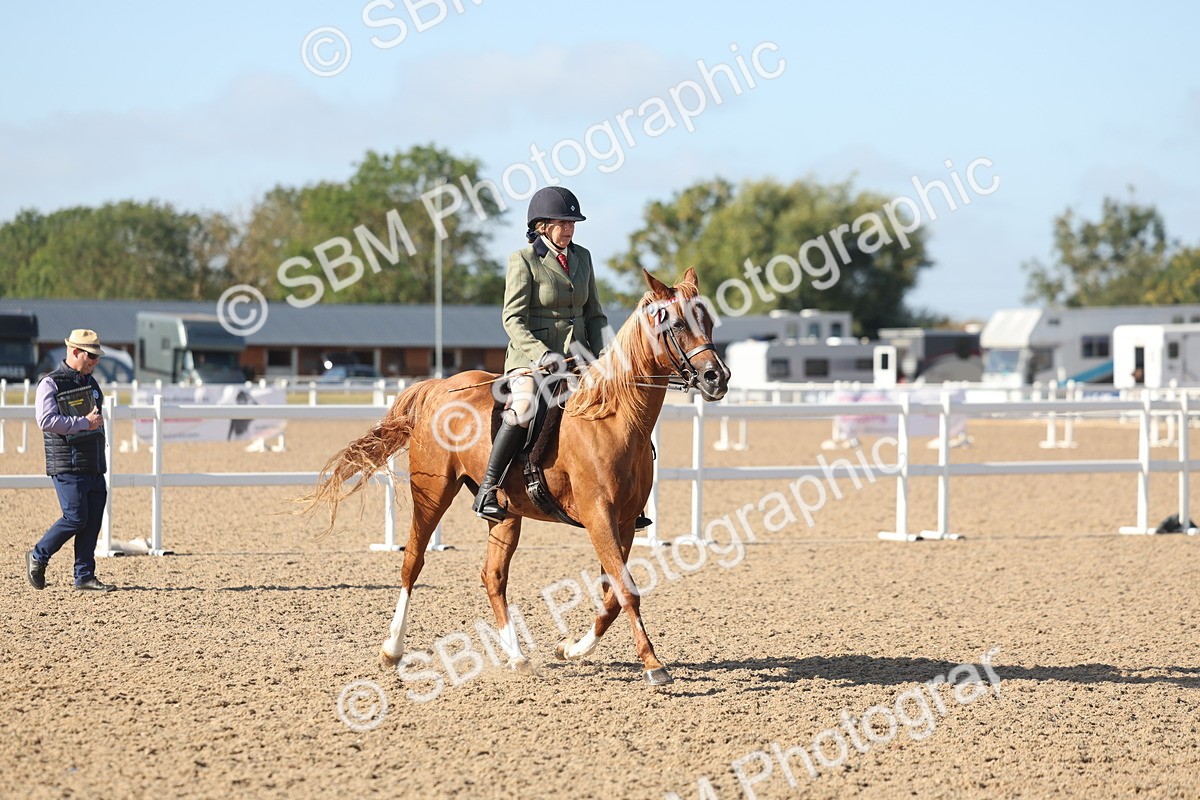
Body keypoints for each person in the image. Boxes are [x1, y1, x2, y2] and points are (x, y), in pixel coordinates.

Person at [473, 186, 615, 522]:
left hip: (580, 358)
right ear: (541, 226)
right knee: (522, 408)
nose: (569, 228)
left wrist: (606, 353)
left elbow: (594, 314)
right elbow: (513, 318)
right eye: (562, 222)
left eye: (572, 223)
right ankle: (488, 489)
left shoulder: (584, 258)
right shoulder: (522, 261)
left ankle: (622, 494)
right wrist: (541, 355)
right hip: (531, 360)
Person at [25, 329, 116, 592]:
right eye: (91, 356)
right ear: (75, 352)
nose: (95, 362)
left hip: (93, 462)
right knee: (76, 518)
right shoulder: (50, 383)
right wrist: (83, 423)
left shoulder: (91, 383)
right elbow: (46, 421)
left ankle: (84, 576)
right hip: (67, 463)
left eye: (97, 357)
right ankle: (38, 555)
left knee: (93, 519)